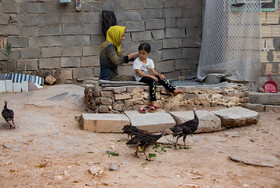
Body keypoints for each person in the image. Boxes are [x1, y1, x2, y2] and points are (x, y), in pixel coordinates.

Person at [133, 43, 182, 110]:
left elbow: (153, 72)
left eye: (143, 53)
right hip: (141, 78)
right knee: (152, 80)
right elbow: (140, 73)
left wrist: (159, 74)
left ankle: (173, 91)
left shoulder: (150, 61)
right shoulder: (137, 61)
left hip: (149, 76)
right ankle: (153, 101)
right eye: (140, 53)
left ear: (148, 53)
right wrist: (152, 77)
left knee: (161, 78)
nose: (141, 55)